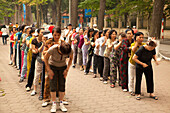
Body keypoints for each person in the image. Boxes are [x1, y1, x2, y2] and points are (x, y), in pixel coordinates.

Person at [44, 28, 73, 112]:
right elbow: (45, 58)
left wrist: (67, 70)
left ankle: (61, 102)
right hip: (52, 66)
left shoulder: (68, 49)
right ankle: (53, 103)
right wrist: (49, 70)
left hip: (62, 67)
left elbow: (71, 59)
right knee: (52, 85)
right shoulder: (53, 48)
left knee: (62, 85)